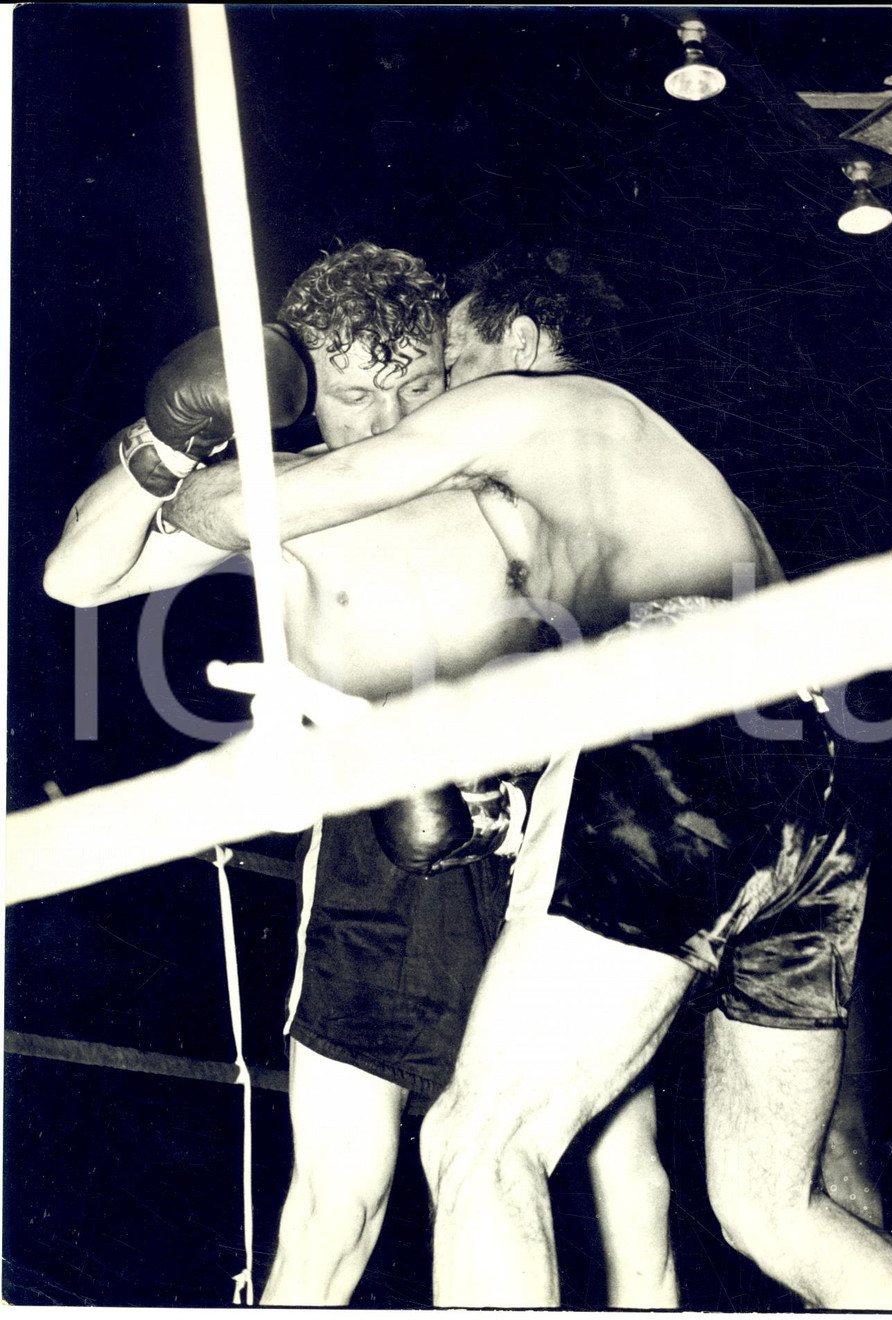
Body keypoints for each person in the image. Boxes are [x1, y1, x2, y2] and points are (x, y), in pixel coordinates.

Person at [155, 245, 892, 1311]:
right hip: (803, 785)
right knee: (775, 1211)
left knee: (481, 1140)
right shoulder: (641, 461)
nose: (425, 392)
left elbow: (273, 501)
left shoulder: (531, 405)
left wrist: (178, 453)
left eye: (449, 358)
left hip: (681, 735)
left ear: (519, 345)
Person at [42, 241, 678, 1308]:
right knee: (339, 1193)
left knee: (621, 1171)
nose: (386, 424)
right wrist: (170, 437)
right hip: (373, 857)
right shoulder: (278, 495)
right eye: (351, 394)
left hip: (542, 830)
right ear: (303, 398)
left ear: (450, 371)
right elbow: (77, 578)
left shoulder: (504, 479)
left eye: (415, 386)